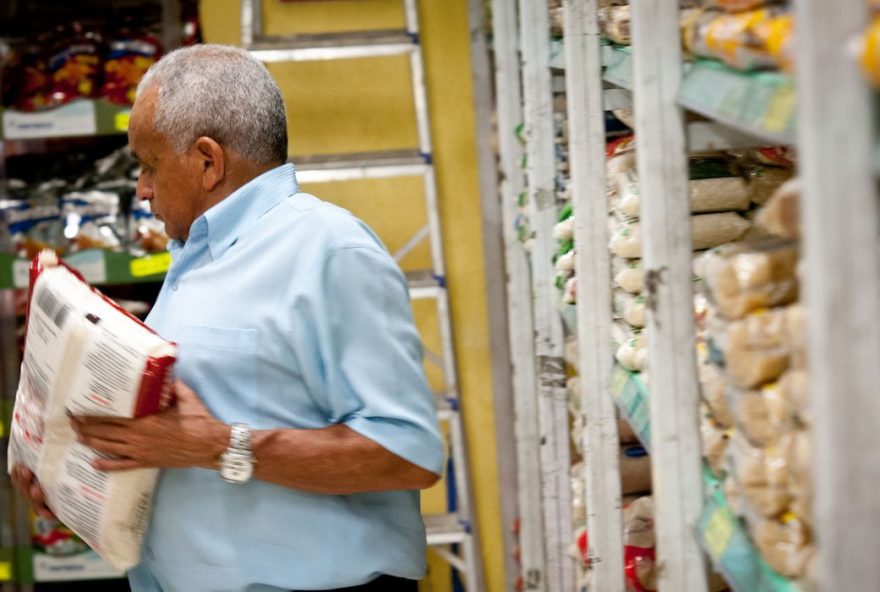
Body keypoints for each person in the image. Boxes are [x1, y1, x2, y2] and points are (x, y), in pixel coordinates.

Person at [11, 44, 445, 592]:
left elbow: (406, 456)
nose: (142, 189)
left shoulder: (328, 250)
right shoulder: (195, 256)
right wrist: (72, 475)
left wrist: (216, 446)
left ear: (208, 161)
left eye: (148, 165)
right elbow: (181, 438)